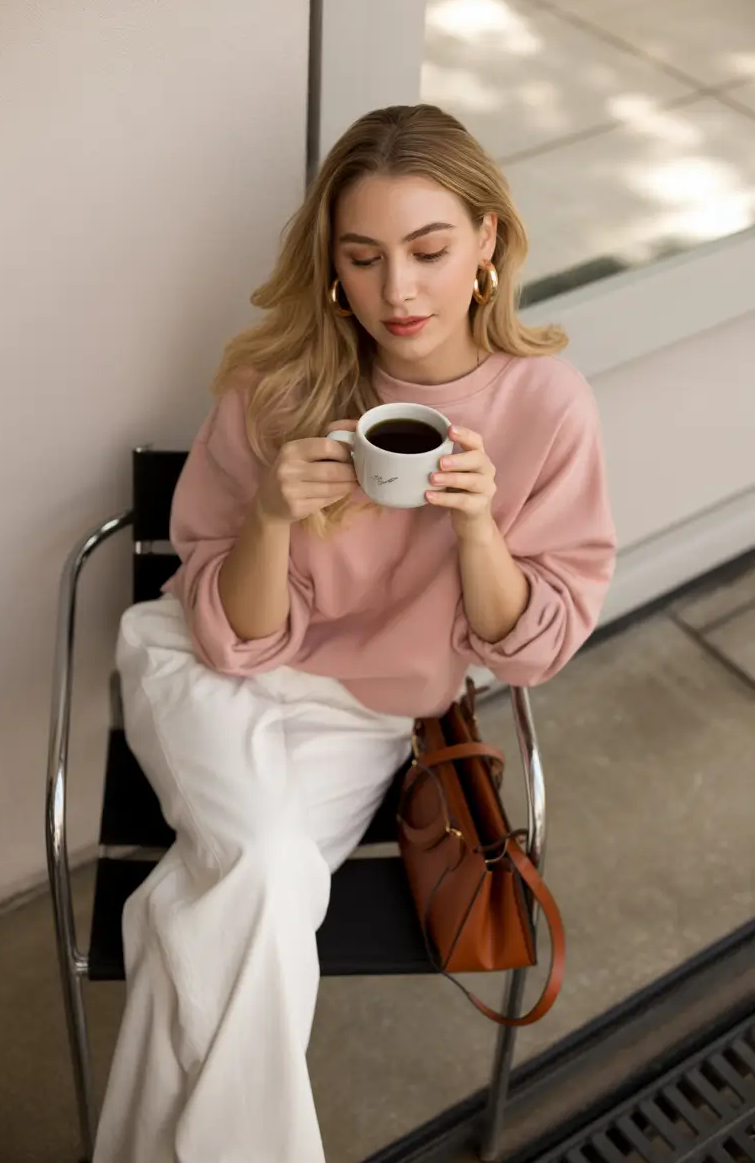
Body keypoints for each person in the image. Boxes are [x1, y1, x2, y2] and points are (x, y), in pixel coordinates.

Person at [93, 103, 616, 1163]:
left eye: (428, 250)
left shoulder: (543, 405)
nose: (398, 292)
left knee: (239, 896)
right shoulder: (275, 382)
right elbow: (231, 639)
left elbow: (533, 649)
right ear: (330, 266)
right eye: (364, 258)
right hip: (202, 670)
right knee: (265, 874)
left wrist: (475, 524)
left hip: (365, 717)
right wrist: (272, 516)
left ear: (486, 242)